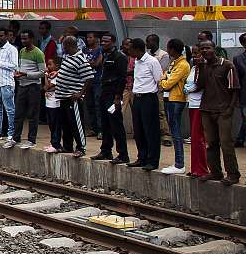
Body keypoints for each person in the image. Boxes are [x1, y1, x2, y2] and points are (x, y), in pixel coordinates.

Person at [195, 40, 240, 184]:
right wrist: (201, 67)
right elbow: (199, 85)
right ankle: (215, 172)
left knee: (226, 143)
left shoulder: (227, 65)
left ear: (214, 49)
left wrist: (230, 109)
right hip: (206, 109)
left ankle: (233, 173)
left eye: (207, 48)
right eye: (202, 49)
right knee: (211, 143)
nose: (204, 51)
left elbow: (234, 89)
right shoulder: (201, 66)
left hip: (223, 110)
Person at [48, 36, 93, 157]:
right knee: (66, 123)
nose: (63, 49)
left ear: (69, 45)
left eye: (64, 46)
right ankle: (67, 146)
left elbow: (89, 77)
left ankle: (81, 147)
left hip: (73, 98)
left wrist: (80, 93)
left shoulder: (80, 59)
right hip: (63, 97)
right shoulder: (68, 57)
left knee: (76, 123)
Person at [126, 38, 163, 170]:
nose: (128, 51)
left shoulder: (152, 61)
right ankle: (142, 157)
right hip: (137, 97)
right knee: (139, 129)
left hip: (149, 97)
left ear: (137, 49)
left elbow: (159, 80)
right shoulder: (137, 61)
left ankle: (152, 160)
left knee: (150, 130)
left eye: (130, 49)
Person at [93, 33, 129, 163]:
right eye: (102, 41)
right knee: (105, 123)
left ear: (113, 42)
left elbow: (122, 78)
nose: (103, 43)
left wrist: (117, 97)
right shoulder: (104, 56)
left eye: (106, 41)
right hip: (104, 93)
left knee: (116, 124)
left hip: (113, 95)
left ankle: (123, 154)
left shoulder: (119, 57)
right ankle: (106, 151)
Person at [6, 30, 45, 149]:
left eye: (25, 39)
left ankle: (31, 139)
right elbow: (20, 66)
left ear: (31, 39)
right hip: (22, 86)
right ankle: (15, 137)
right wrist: (18, 73)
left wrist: (26, 74)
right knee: (18, 113)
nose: (23, 41)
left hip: (33, 87)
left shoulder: (38, 53)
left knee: (33, 114)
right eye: (22, 39)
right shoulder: (22, 51)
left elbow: (42, 73)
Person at [157, 39, 190, 174]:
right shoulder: (174, 63)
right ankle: (178, 162)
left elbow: (167, 83)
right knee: (174, 131)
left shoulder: (182, 65)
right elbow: (163, 77)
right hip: (169, 98)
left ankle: (179, 163)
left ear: (172, 49)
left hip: (177, 99)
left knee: (176, 133)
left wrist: (162, 82)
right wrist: (163, 81)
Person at [183, 45, 209, 177]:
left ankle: (202, 169)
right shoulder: (193, 67)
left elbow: (201, 84)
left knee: (199, 138)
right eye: (193, 54)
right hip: (192, 104)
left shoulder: (204, 68)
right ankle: (195, 168)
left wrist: (191, 89)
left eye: (197, 53)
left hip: (200, 105)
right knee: (194, 138)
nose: (195, 56)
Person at [43, 58, 63, 152]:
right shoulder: (50, 76)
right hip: (49, 103)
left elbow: (47, 87)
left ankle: (56, 144)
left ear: (57, 66)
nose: (48, 67)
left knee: (55, 125)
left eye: (50, 64)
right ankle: (53, 142)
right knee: (51, 124)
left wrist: (46, 76)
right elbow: (45, 88)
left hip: (55, 103)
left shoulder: (56, 76)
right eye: (47, 65)